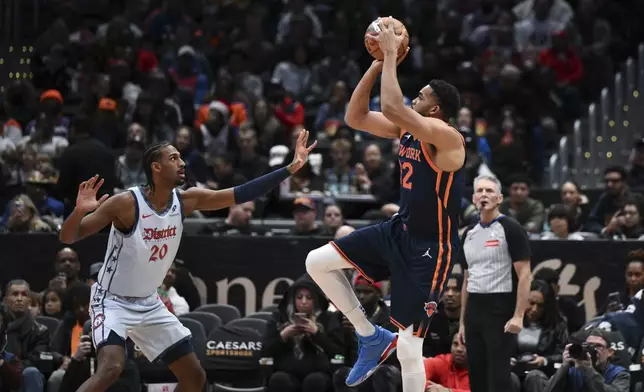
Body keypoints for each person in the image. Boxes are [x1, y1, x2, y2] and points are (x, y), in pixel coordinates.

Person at [58, 130, 317, 392]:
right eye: (174, 158)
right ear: (156, 167)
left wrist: (291, 168)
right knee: (111, 368)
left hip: (148, 301)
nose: (182, 163)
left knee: (194, 376)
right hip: (112, 300)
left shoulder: (187, 200)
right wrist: (78, 212)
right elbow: (69, 236)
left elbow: (242, 193)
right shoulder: (126, 203)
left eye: (181, 157)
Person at [306, 18, 465, 392]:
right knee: (317, 262)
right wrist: (377, 62)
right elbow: (354, 117)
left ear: (436, 110)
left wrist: (391, 53)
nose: (416, 98)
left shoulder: (447, 137)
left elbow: (393, 105)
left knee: (410, 347)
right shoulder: (407, 127)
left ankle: (389, 347)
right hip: (399, 230)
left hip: (431, 247)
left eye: (423, 96)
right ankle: (370, 336)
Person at [458, 175, 532, 392]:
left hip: (500, 308)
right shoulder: (468, 234)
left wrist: (519, 315)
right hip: (474, 310)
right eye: (480, 191)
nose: (484, 195)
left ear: (499, 198)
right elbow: (467, 279)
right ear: (473, 198)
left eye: (489, 191)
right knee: (477, 376)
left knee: (498, 378)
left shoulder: (511, 228)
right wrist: (463, 322)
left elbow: (526, 274)